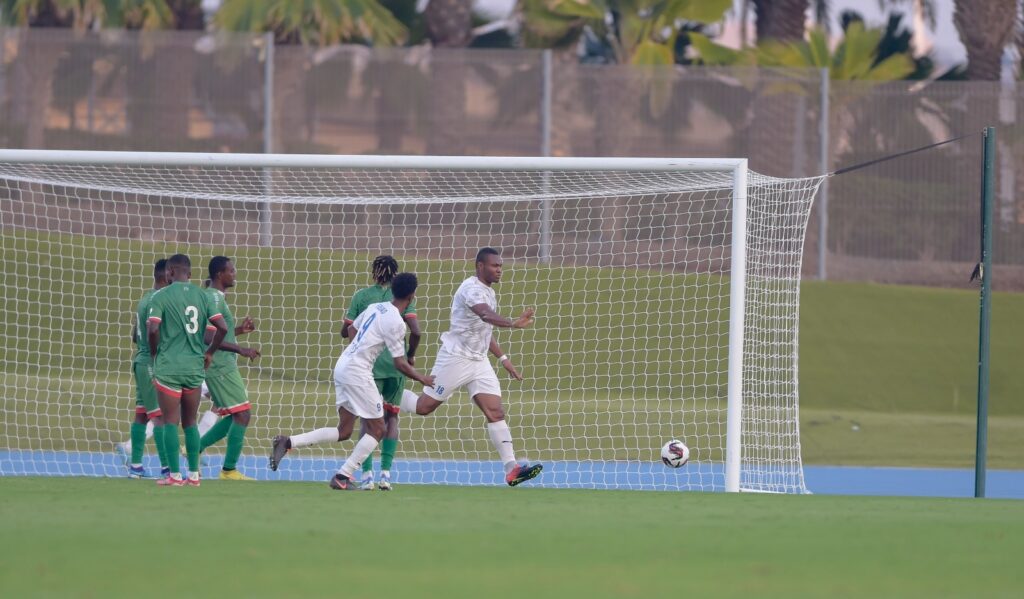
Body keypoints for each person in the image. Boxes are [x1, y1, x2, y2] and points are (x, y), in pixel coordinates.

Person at [269, 273, 434, 491]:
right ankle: (342, 476)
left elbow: (350, 329)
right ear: (412, 296)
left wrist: (360, 346)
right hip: (358, 372)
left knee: (344, 430)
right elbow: (400, 364)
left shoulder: (377, 306)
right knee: (377, 429)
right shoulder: (396, 322)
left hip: (343, 364)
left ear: (393, 290)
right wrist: (423, 378)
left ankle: (288, 442)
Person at [400, 248, 542, 487]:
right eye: (494, 265)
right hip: (456, 357)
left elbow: (484, 331)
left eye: (501, 266)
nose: (499, 270)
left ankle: (512, 469)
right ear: (479, 266)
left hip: (479, 361)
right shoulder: (471, 289)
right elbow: (485, 316)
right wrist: (512, 323)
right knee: (423, 407)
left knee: (495, 412)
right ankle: (386, 393)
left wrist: (503, 358)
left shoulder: (488, 291)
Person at [340, 256, 421, 491]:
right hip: (397, 366)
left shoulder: (362, 296)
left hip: (370, 366)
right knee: (392, 417)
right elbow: (415, 330)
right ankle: (386, 474)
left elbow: (345, 330)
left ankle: (366, 475)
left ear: (374, 273)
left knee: (368, 419)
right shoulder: (400, 298)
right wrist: (411, 355)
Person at [146, 254, 228, 487]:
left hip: (169, 368)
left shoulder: (161, 296)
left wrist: (154, 354)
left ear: (169, 272)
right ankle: (194, 474)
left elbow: (152, 329)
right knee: (190, 422)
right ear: (190, 274)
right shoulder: (202, 296)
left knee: (170, 421)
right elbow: (220, 328)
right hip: (194, 368)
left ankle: (174, 475)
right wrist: (210, 352)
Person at [196, 257, 261, 481]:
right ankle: (228, 470)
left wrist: (239, 330)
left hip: (221, 364)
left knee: (236, 415)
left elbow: (218, 333)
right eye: (231, 271)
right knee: (243, 414)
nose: (234, 274)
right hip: (219, 366)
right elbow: (206, 337)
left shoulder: (214, 297)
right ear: (219, 275)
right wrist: (240, 349)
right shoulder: (213, 297)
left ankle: (195, 448)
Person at [116, 258, 172, 478]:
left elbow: (134, 335)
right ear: (164, 275)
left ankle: (136, 467)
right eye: (171, 274)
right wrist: (158, 355)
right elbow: (153, 330)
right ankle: (168, 468)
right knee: (160, 416)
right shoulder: (158, 300)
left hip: (140, 360)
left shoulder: (144, 299)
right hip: (150, 361)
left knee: (141, 415)